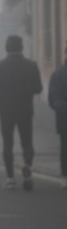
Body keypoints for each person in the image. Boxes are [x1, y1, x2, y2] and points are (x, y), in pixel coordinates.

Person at [0, 35, 42, 191]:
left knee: (8, 143)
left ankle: (10, 177)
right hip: (25, 109)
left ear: (7, 48)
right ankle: (27, 165)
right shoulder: (31, 66)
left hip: (6, 110)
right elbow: (38, 88)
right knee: (27, 141)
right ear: (21, 47)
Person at [48, 44, 67, 189]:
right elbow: (53, 98)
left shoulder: (57, 73)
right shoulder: (59, 74)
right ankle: (65, 175)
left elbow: (53, 98)